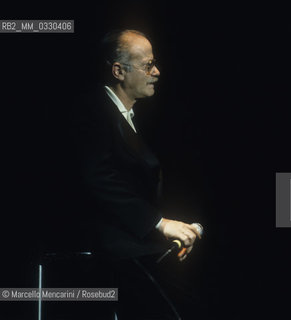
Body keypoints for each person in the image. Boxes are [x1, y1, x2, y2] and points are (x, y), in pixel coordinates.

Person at [71, 29, 201, 319]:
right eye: (147, 65)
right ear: (118, 70)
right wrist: (159, 224)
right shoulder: (92, 111)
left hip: (129, 247)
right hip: (108, 254)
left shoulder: (122, 116)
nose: (156, 71)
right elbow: (97, 178)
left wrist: (166, 232)